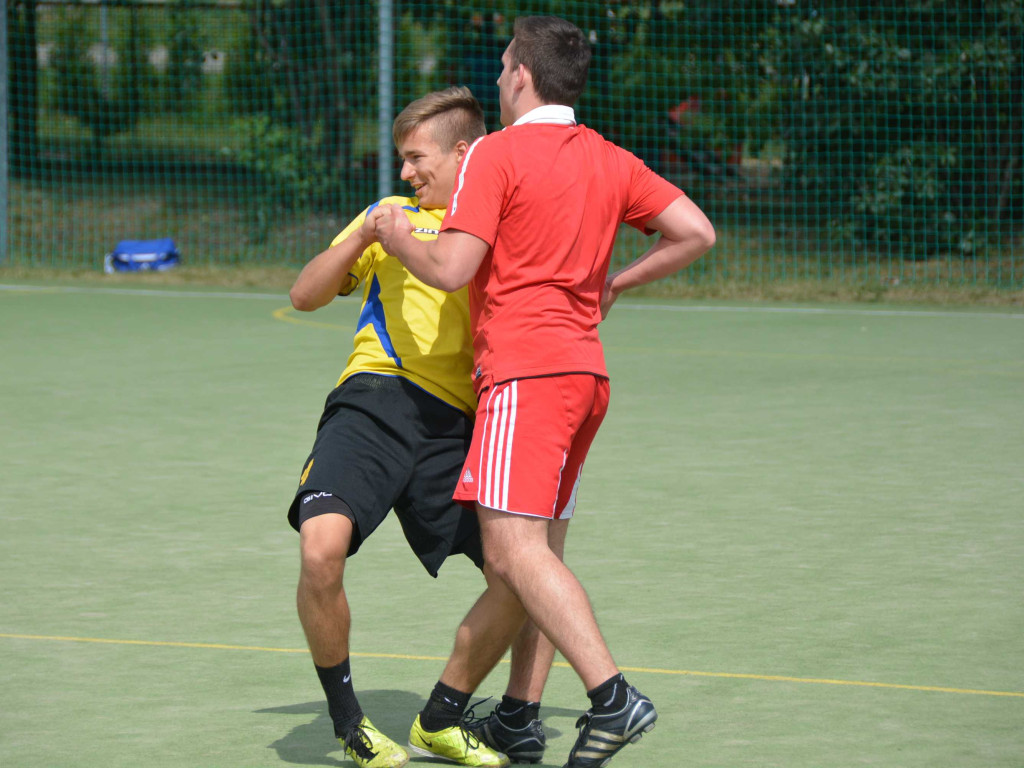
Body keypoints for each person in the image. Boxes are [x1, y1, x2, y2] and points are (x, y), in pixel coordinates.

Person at [373, 16, 716, 768]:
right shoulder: (608, 157)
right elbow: (695, 231)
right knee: (540, 554)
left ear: (522, 74)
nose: (498, 81)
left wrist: (397, 236)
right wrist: (615, 284)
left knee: (513, 554)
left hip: (525, 376)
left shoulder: (497, 153)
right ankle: (520, 716)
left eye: (502, 69)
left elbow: (452, 268)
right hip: (584, 378)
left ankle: (612, 696)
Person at [288, 86, 534, 768]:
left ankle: (444, 718)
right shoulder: (390, 217)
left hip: (456, 426)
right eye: (401, 160)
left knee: (527, 579)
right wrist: (365, 235)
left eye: (415, 158)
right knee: (319, 552)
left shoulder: (496, 226)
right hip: (371, 404)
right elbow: (303, 295)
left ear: (464, 152)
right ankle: (349, 724)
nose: (405, 173)